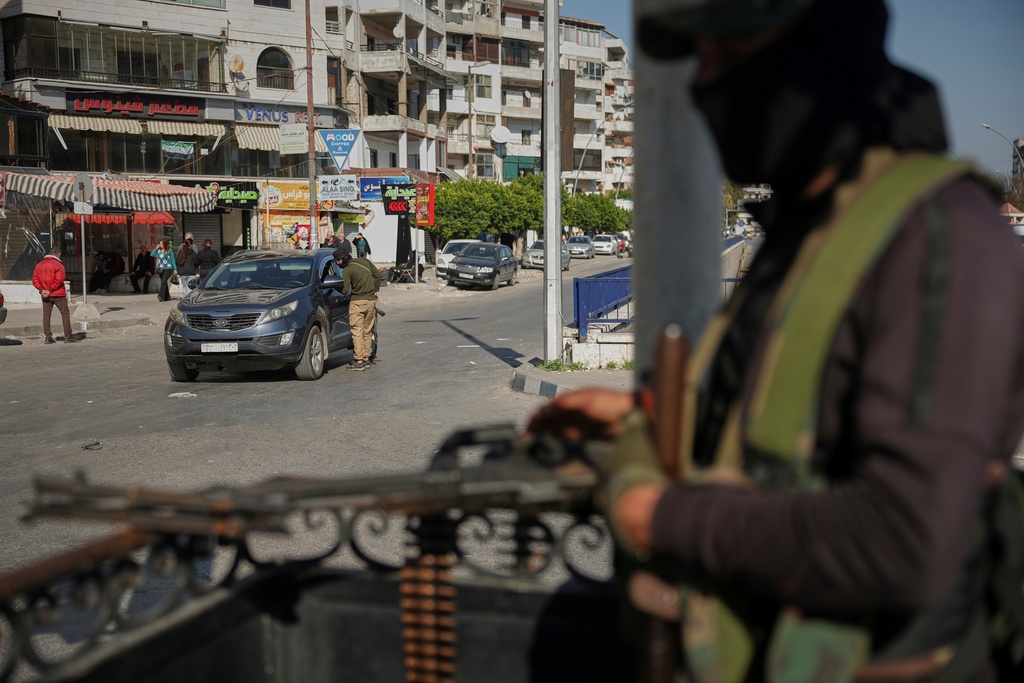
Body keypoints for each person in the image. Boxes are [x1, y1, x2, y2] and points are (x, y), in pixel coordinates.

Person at [529, 0, 1024, 680]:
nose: (709, 87)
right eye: (701, 64)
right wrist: (660, 422)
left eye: (734, 57)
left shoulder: (944, 237)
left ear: (824, 51)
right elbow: (800, 424)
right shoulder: (810, 225)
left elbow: (903, 538)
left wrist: (662, 517)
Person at [335, 246, 380, 371]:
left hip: (357, 303)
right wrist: (375, 291)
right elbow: (378, 275)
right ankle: (366, 359)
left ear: (342, 259)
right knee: (367, 331)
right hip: (371, 302)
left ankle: (359, 361)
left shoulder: (348, 270)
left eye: (337, 261)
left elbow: (344, 291)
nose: (337, 263)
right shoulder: (365, 261)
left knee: (357, 332)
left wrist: (335, 286)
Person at [31, 245, 77, 344]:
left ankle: (48, 337)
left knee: (46, 316)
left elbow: (35, 280)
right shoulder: (59, 265)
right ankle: (68, 336)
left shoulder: (39, 265)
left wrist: (42, 290)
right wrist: (50, 290)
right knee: (65, 313)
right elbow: (59, 280)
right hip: (58, 294)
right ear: (58, 254)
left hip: (45, 294)